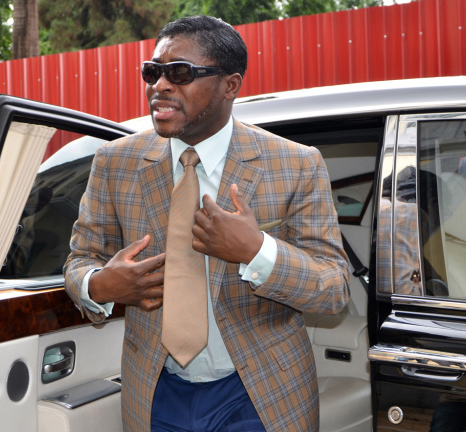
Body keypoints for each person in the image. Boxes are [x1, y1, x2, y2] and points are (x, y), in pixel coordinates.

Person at [64, 16, 350, 432]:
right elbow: (80, 260)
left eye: (180, 73)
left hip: (260, 393)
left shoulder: (296, 163)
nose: (160, 86)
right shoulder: (115, 161)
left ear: (230, 86)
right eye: (153, 72)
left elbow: (334, 288)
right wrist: (99, 286)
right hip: (155, 390)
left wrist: (257, 251)